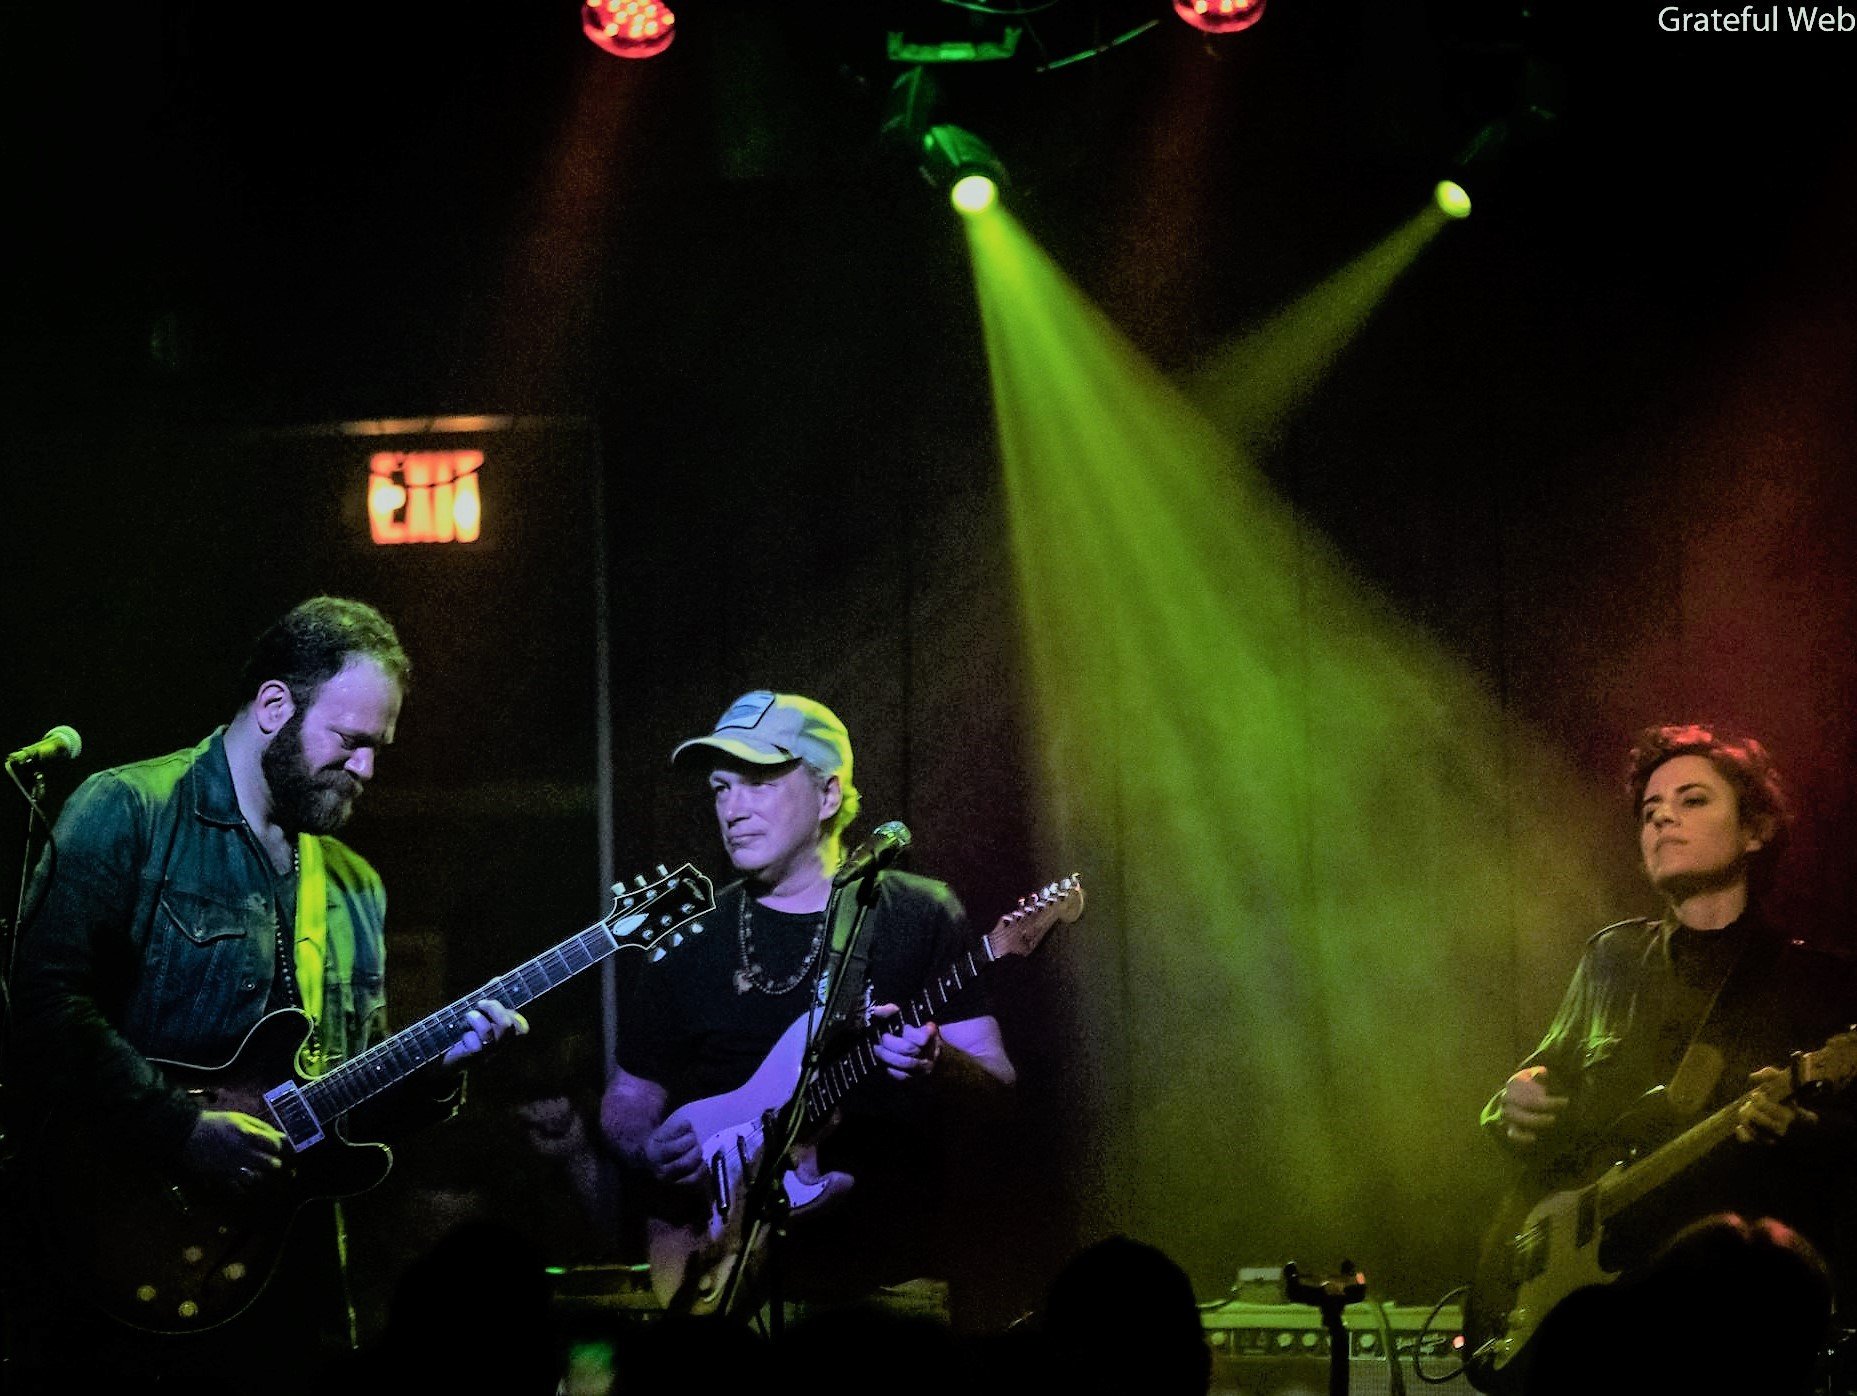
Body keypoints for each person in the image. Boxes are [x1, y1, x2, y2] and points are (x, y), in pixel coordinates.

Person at [0, 596, 528, 1394]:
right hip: (111, 1242)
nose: (367, 770)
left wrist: (435, 1071)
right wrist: (180, 1129)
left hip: (285, 1276)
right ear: (275, 705)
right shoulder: (130, 811)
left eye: (378, 749)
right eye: (349, 743)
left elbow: (345, 1096)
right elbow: (40, 1003)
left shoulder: (354, 888)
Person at [599, 690, 1015, 1325]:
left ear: (827, 795)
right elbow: (628, 1098)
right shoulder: (689, 935)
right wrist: (649, 1148)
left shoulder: (918, 914)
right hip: (724, 1279)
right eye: (719, 788)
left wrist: (939, 1062)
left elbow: (1001, 1090)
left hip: (889, 1297)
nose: (732, 809)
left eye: (759, 782)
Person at [1480, 722, 1857, 1378]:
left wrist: (1804, 1130)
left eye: (1691, 801)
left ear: (1755, 831)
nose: (1661, 821)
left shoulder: (1816, 982)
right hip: (1598, 1324)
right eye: (1649, 811)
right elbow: (1539, 1088)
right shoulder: (1610, 959)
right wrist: (1513, 1098)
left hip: (1729, 1328)